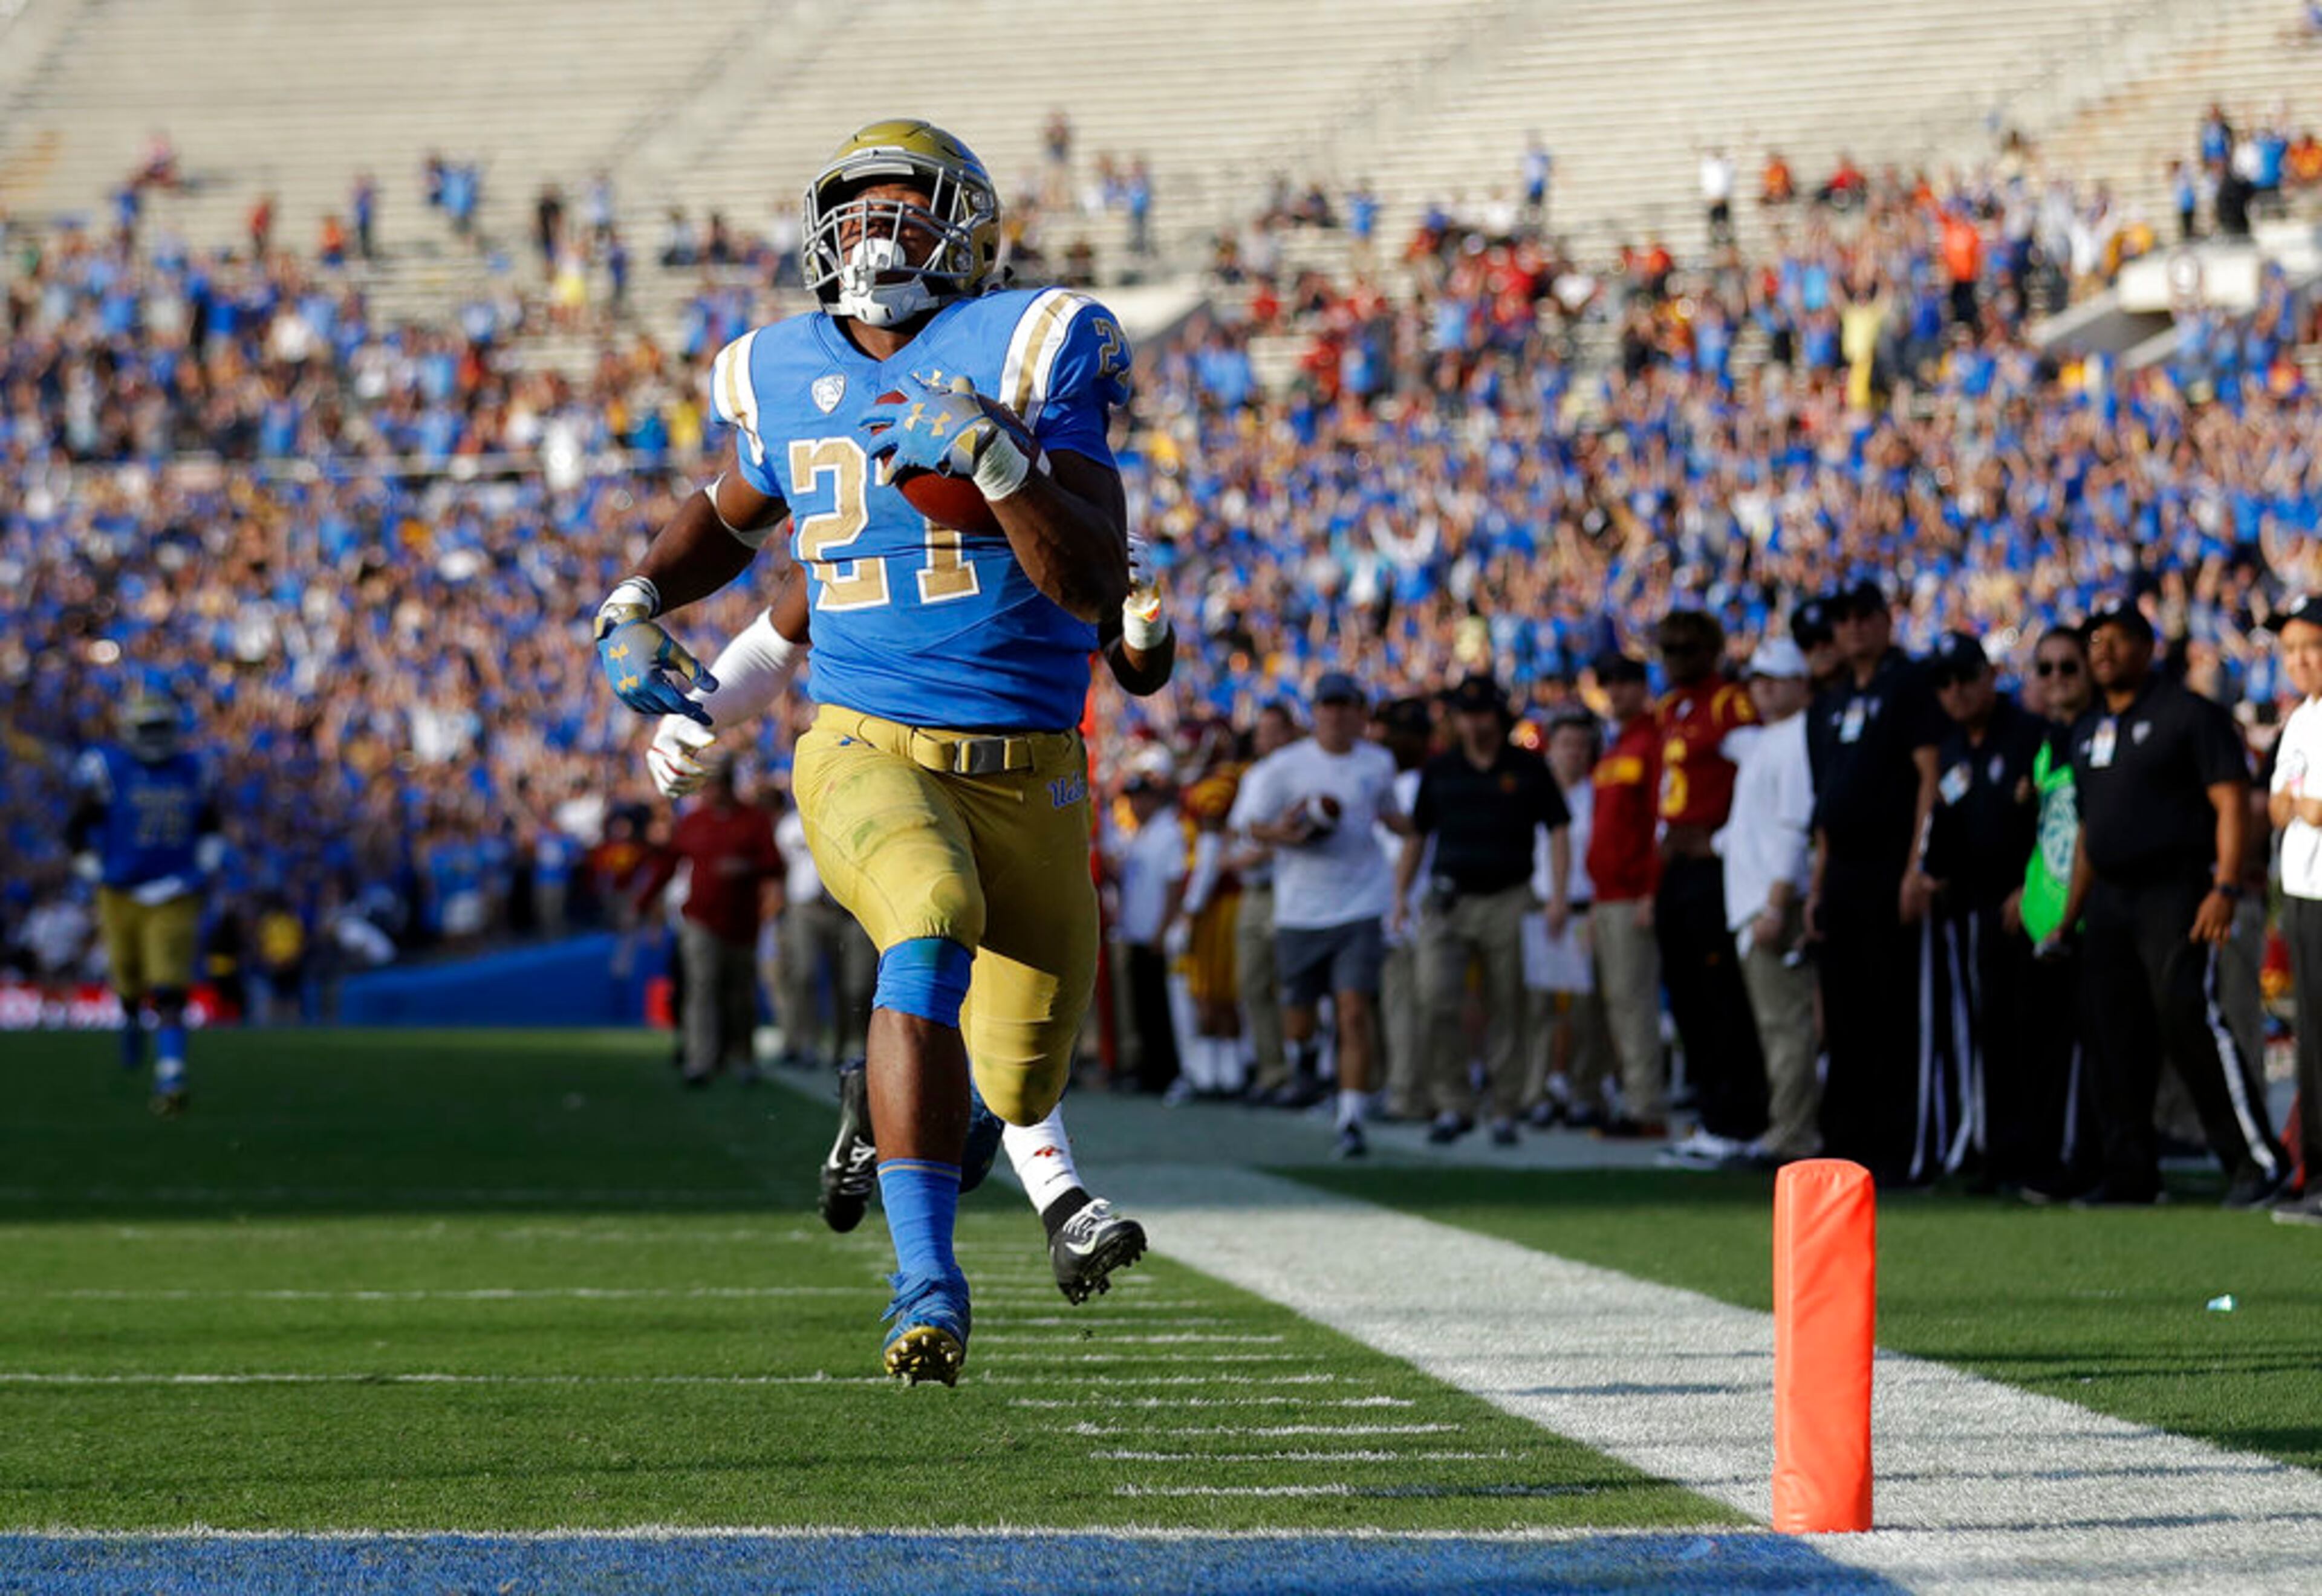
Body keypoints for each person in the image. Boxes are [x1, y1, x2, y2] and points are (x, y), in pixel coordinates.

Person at [596, 120, 1149, 1384]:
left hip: (1033, 769)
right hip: (864, 741)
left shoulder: (1036, 340)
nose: (876, 233)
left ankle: (885, 1103)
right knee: (928, 918)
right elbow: (735, 516)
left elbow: (1094, 583)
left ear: (967, 228)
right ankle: (926, 1286)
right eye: (855, 212)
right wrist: (633, 599)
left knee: (1018, 1079)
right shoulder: (775, 368)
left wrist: (1005, 464)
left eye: (905, 208)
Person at [2050, 602, 2290, 1208]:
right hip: (2108, 898)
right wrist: (2070, 913)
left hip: (2176, 890)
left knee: (2189, 1016)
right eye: (2094, 638)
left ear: (2147, 644)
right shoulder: (2087, 730)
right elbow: (2089, 830)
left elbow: (2232, 802)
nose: (2103, 649)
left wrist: (2225, 886)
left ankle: (2255, 1160)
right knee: (2113, 1032)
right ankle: (2130, 1171)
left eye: (2117, 638)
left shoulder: (2188, 714)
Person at [1393, 674, 1570, 1146]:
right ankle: (1453, 1101)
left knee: (1508, 1004)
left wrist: (1557, 895)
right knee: (1434, 997)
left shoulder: (1529, 768)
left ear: (1499, 717)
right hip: (1449, 899)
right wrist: (1399, 896)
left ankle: (1506, 1105)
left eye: (1481, 714)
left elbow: (1558, 828)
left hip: (1510, 896)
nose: (1472, 724)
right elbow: (1417, 835)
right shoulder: (1441, 768)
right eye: (1465, 715)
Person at [1806, 580, 1943, 1187]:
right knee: (1844, 1011)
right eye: (1844, 618)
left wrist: (1917, 864)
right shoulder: (1830, 705)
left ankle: (1895, 1146)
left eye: (1866, 615)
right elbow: (1826, 807)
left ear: (1888, 621)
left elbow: (1928, 777)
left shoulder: (1908, 686)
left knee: (1891, 1007)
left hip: (1890, 865)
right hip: (1842, 873)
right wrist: (1816, 887)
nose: (1854, 627)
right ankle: (1845, 1142)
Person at [1238, 670, 1408, 1157]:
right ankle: (1305, 1058)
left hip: (1360, 902)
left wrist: (1417, 829)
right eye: (1328, 706)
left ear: (1360, 713)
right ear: (1315, 713)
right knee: (1300, 1010)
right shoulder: (1284, 767)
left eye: (1345, 706)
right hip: (1301, 908)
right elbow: (1250, 827)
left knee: (1354, 1011)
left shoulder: (1378, 763)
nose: (1335, 715)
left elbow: (1391, 816)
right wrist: (1288, 833)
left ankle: (1351, 1116)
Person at [1922, 631, 2051, 1189]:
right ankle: (1995, 1151)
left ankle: (2039, 1152)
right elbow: (1945, 824)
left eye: (1964, 678)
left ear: (1988, 675)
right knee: (1988, 1033)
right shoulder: (1951, 746)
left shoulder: (2030, 734)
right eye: (1943, 683)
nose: (1955, 691)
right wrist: (1929, 873)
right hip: (1971, 910)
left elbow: (2059, 817)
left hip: (2027, 906)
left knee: (2032, 1031)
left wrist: (2032, 886)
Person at [66, 687, 224, 1115]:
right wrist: (88, 864)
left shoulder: (194, 769)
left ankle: (171, 1074)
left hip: (175, 887)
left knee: (170, 983)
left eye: (162, 727)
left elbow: (211, 822)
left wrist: (209, 857)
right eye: (148, 728)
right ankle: (132, 1017)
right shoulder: (108, 767)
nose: (156, 736)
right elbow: (78, 824)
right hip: (120, 888)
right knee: (127, 976)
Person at [1654, 610, 1768, 1163]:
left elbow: (1758, 771)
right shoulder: (1670, 709)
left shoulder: (1731, 703)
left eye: (1687, 648)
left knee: (1722, 996)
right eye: (1667, 649)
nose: (1676, 658)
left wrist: (1721, 838)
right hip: (1675, 869)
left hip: (1712, 869)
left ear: (1713, 650)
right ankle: (1710, 1114)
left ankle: (1739, 1117)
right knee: (1688, 997)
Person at [1716, 638, 1820, 1166]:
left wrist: (1777, 903)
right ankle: (1786, 1124)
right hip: (1754, 903)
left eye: (1775, 679)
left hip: (1769, 904)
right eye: (1757, 680)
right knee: (1776, 1025)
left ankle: (1793, 1131)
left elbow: (1793, 826)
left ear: (1802, 683)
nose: (1763, 689)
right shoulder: (1768, 739)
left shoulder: (1797, 738)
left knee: (1786, 1025)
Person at [2009, 624, 2098, 1192]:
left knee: (2087, 1056)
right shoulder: (2045, 742)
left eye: (2069, 666)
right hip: (2042, 919)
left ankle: (2079, 1166)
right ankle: (2043, 1161)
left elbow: (2092, 832)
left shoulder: (2095, 734)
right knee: (2040, 1051)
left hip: (2084, 919)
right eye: (2046, 669)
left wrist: (2068, 916)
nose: (2057, 678)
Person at [633, 759, 782, 1086]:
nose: (710, 792)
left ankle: (742, 1057)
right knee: (702, 987)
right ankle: (701, 1059)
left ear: (728, 786)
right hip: (700, 919)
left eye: (716, 785)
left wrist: (746, 868)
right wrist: (643, 902)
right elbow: (668, 865)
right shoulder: (694, 822)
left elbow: (774, 865)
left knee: (739, 992)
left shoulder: (753, 821)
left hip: (742, 921)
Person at [1587, 655, 1665, 1135]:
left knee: (1635, 1001)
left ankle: (1646, 1107)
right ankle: (1633, 1097)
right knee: (1620, 1001)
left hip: (1635, 892)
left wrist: (1651, 891)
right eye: (1607, 684)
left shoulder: (1650, 741)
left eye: (1623, 683)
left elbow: (1658, 821)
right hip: (1609, 894)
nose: (1614, 693)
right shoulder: (1616, 746)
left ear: (1642, 687)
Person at [2265, 594, 2322, 1224]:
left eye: (2311, 646)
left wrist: (2301, 804)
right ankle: (2313, 1172)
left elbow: (2309, 805)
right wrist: (2300, 804)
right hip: (2304, 888)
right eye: (2290, 651)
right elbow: (2282, 806)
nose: (2301, 661)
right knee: (2310, 1036)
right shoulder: (2303, 718)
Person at [1527, 708, 1608, 1127]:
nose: (1574, 754)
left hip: (1582, 904)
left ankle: (1584, 1090)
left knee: (1583, 1010)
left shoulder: (1597, 795)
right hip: (1539, 904)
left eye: (1581, 746)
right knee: (1539, 1007)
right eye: (1566, 745)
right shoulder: (1533, 791)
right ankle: (1540, 1089)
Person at [1227, 701, 1299, 1103]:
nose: (1263, 738)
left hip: (1286, 885)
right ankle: (1272, 1071)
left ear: (1290, 732)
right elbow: (1239, 828)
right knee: (1252, 984)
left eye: (1273, 730)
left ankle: (1299, 1070)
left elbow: (1303, 831)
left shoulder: (1301, 770)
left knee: (1290, 985)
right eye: (1261, 731)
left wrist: (1259, 850)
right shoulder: (1255, 773)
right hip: (1252, 889)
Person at [1111, 754, 1186, 1096]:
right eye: (1133, 799)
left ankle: (1167, 1071)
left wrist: (1163, 928)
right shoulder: (1138, 834)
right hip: (1136, 929)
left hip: (1155, 932)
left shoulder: (1168, 832)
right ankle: (1148, 1069)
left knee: (1161, 1008)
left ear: (1156, 798)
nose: (1137, 805)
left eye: (1142, 798)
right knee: (1142, 1005)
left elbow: (1175, 884)